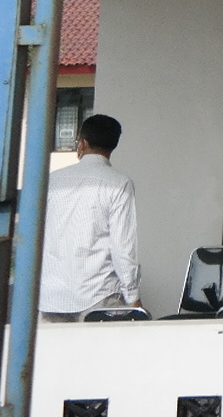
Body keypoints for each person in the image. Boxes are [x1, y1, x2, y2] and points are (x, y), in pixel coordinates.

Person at [39, 113, 140, 322]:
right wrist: (133, 297)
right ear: (113, 146)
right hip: (98, 297)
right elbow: (123, 247)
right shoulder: (119, 184)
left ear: (82, 143)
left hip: (51, 297)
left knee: (54, 346)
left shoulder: (52, 181)